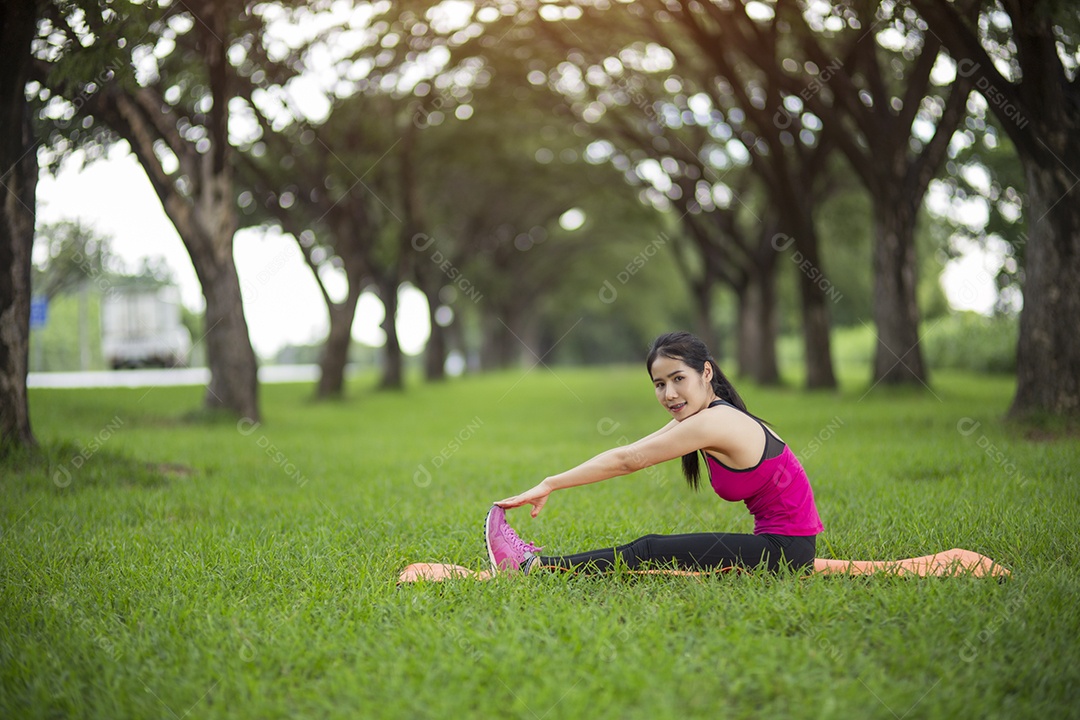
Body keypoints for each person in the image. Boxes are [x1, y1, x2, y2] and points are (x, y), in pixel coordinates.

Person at [485, 331, 823, 576]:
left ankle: (532, 568)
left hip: (786, 553)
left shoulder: (715, 422)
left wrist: (550, 484)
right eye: (660, 384)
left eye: (678, 379)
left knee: (650, 550)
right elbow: (631, 451)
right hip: (782, 545)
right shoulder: (706, 415)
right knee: (653, 549)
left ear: (706, 372)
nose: (669, 393)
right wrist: (551, 483)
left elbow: (628, 462)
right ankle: (534, 566)